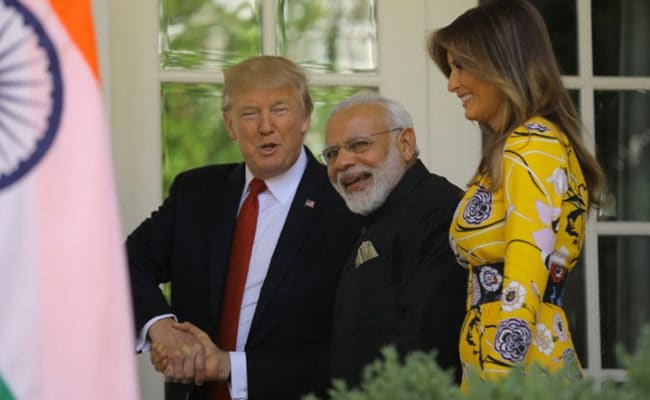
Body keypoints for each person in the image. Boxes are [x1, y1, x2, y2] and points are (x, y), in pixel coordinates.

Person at [126, 55, 362, 400]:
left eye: (279, 110)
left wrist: (229, 367)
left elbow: (348, 349)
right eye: (250, 113)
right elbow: (127, 263)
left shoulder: (346, 207)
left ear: (305, 118)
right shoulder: (194, 193)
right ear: (230, 124)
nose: (265, 126)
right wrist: (162, 330)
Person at [427, 0, 605, 388]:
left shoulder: (531, 143)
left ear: (499, 64)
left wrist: (500, 375)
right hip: (510, 360)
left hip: (514, 369)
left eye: (460, 66)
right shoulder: (525, 144)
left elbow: (527, 263)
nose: (452, 83)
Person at [322, 93, 467, 387]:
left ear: (405, 143)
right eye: (332, 154)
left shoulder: (440, 213)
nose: (343, 162)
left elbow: (428, 353)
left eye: (358, 144)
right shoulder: (375, 214)